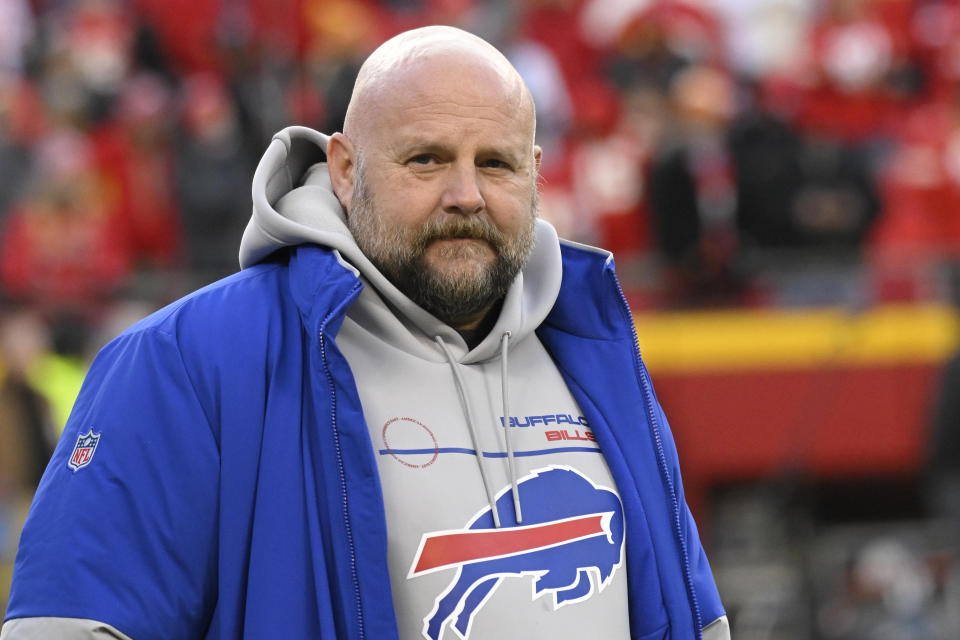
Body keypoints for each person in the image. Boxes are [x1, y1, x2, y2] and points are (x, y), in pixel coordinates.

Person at [1, 26, 728, 640]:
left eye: (496, 164)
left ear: (535, 175)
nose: (466, 195)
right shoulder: (183, 363)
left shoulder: (599, 366)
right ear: (344, 170)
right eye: (427, 159)